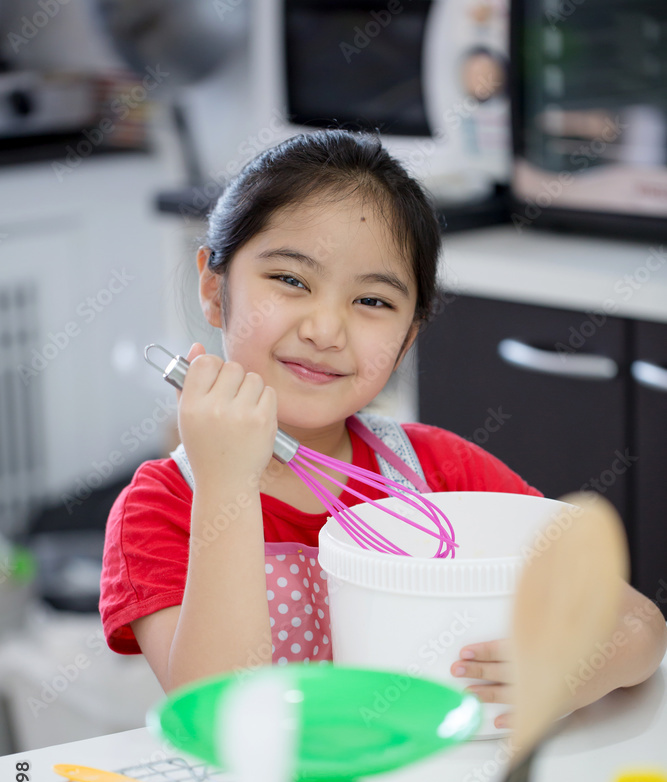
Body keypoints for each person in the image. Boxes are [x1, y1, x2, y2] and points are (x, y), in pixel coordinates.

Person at [100, 129, 665, 725]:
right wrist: (228, 486)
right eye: (291, 280)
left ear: (407, 338)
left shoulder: (441, 473)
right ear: (216, 290)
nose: (325, 329)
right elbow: (222, 715)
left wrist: (574, 668)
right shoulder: (159, 510)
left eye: (372, 302)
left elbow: (640, 625)